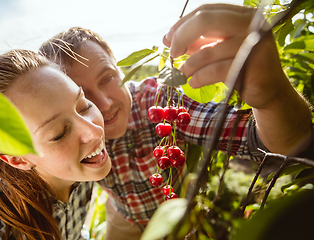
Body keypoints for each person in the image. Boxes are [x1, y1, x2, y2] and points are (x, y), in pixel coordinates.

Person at [38, 4, 313, 240]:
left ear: (120, 67)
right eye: (84, 97)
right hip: (123, 217)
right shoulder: (72, 136)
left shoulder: (159, 105)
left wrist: (272, 97)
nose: (105, 104)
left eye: (107, 77)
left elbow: (275, 144)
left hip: (176, 214)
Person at [0, 49, 111, 240]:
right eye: (59, 134)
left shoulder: (77, 166)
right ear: (18, 160)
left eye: (84, 106)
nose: (95, 132)